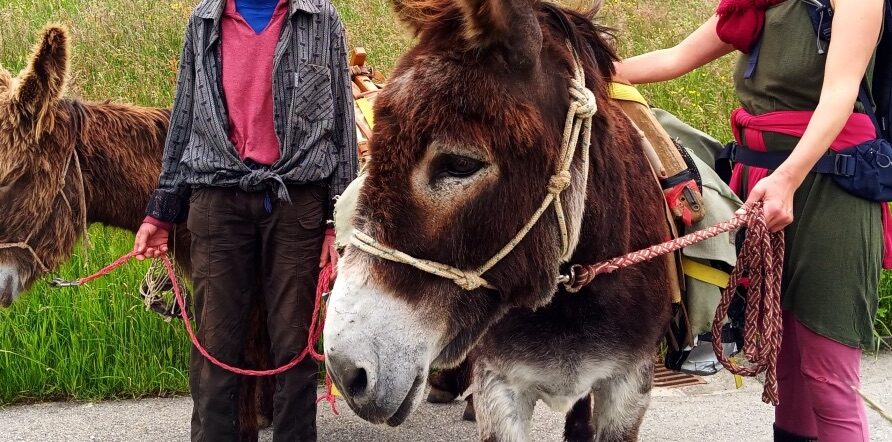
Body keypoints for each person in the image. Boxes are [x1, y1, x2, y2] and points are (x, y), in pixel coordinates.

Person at [615, 1, 883, 441]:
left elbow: (840, 93)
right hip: (761, 180)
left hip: (829, 186)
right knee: (785, 365)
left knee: (826, 370)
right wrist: (576, 67)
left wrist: (787, 179)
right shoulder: (756, 4)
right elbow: (675, 58)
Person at [132, 0, 357, 439]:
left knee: (294, 346)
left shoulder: (321, 18)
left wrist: (337, 220)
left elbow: (343, 124)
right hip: (218, 199)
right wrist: (162, 211)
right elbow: (184, 117)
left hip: (297, 200)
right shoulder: (203, 21)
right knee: (216, 346)